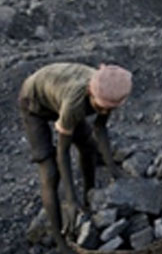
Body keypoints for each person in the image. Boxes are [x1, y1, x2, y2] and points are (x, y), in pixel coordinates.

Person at [18, 63, 132, 254]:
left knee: (89, 147)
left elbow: (100, 128)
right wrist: (71, 200)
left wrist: (113, 168)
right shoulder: (75, 102)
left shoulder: (109, 89)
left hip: (60, 98)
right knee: (50, 172)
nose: (104, 112)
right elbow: (63, 152)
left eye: (108, 109)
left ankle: (88, 199)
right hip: (34, 103)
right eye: (100, 107)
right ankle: (60, 240)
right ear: (90, 93)